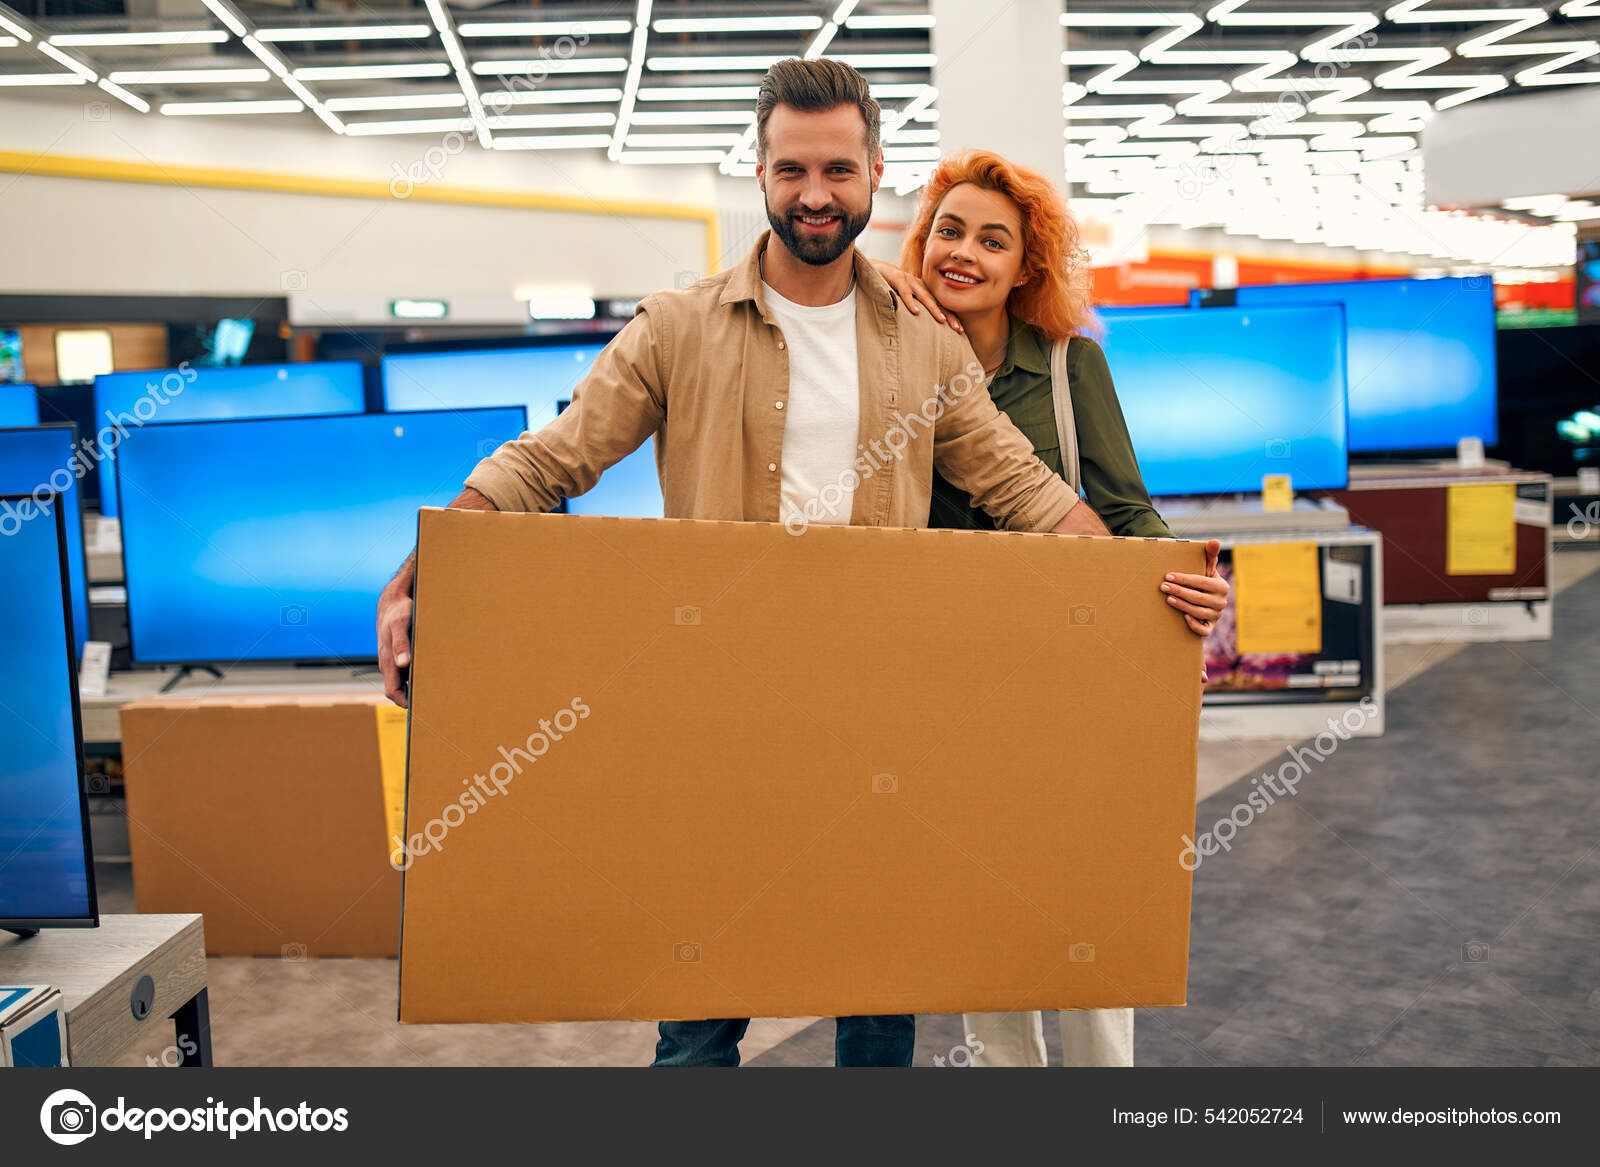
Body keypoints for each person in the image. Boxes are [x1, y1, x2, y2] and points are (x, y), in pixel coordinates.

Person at [376, 62, 1222, 1067]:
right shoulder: (677, 327)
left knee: (876, 1024)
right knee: (697, 1025)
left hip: (882, 731)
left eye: (836, 169)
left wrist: (1147, 587)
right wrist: (425, 566)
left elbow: (1024, 490)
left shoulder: (925, 344)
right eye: (790, 169)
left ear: (872, 174)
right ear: (761, 173)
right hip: (715, 722)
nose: (813, 194)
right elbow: (553, 459)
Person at [873, 149, 1231, 1066]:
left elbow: (1125, 508)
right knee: (982, 940)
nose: (965, 253)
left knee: (1087, 930)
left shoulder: (1072, 369)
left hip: (1065, 687)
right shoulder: (888, 363)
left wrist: (1190, 573)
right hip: (940, 694)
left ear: (1025, 266)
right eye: (947, 231)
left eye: (993, 240)